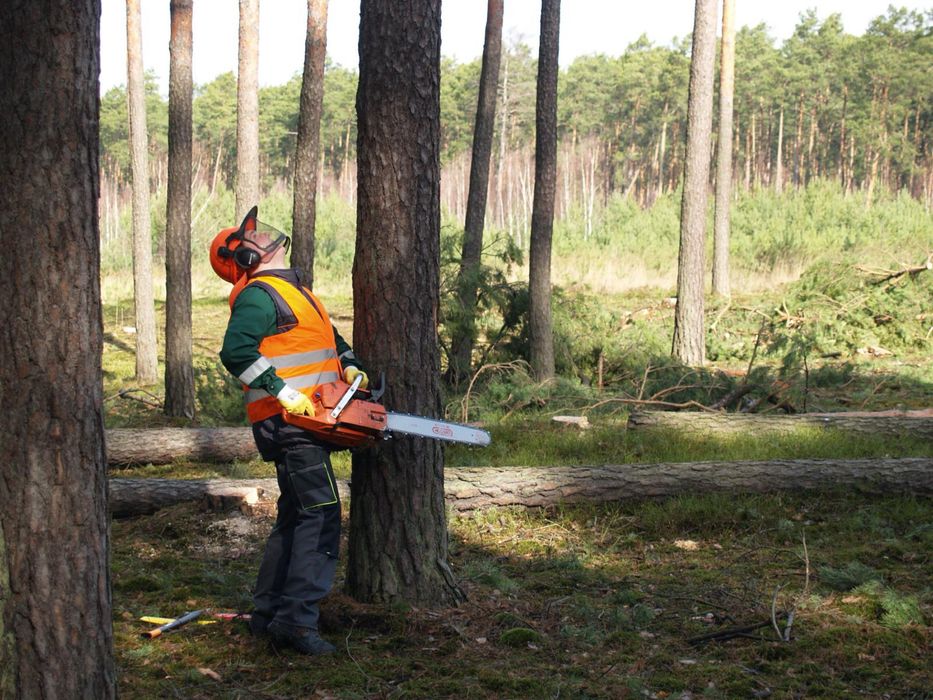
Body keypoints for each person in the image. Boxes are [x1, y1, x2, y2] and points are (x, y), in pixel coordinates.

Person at [211, 206, 367, 656]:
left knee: (297, 514)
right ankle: (297, 624)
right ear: (243, 258)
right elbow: (236, 352)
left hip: (309, 417)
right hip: (289, 421)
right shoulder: (260, 295)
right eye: (253, 239)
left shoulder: (294, 291)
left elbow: (328, 338)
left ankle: (269, 615)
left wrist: (351, 362)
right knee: (320, 515)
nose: (265, 237)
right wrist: (280, 391)